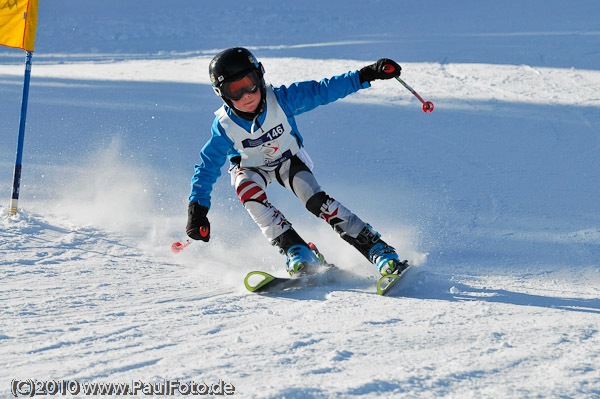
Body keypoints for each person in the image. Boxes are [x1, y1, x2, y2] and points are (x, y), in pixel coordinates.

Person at [186, 47, 407, 277]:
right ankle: (297, 250)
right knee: (248, 192)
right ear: (221, 94)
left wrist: (366, 74)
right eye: (234, 91)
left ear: (259, 77)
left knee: (316, 201)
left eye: (249, 84)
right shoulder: (224, 126)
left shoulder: (281, 100)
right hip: (251, 168)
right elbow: (207, 166)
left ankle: (377, 250)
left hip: (287, 160)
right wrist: (197, 210)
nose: (246, 96)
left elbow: (322, 91)